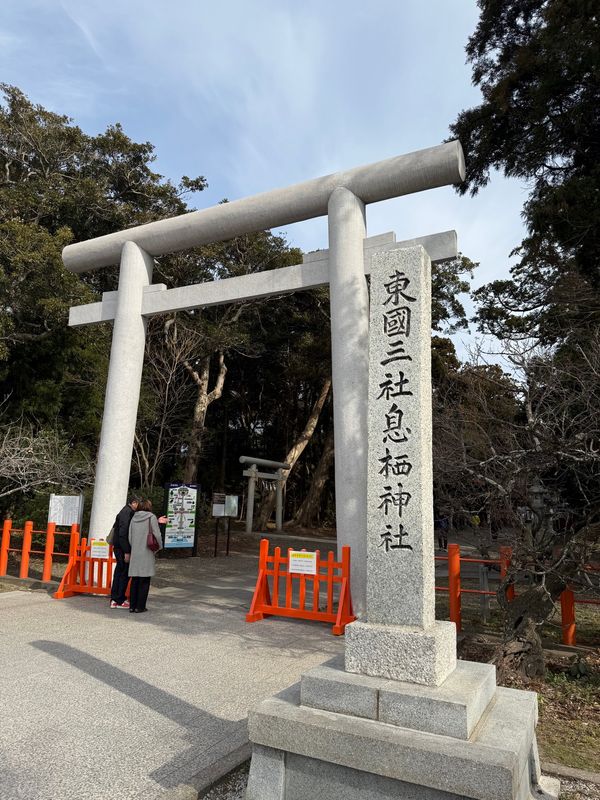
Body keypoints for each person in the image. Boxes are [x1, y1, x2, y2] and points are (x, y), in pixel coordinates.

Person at [127, 499, 163, 613]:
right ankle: (140, 607)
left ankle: (132, 606)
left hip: (135, 551)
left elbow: (129, 535)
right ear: (148, 506)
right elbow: (156, 534)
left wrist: (135, 546)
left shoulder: (134, 517)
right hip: (147, 551)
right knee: (145, 580)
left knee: (135, 580)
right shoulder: (151, 517)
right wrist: (159, 546)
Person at [109, 495, 141, 609]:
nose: (139, 506)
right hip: (122, 548)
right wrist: (127, 551)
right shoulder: (127, 514)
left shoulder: (123, 511)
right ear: (133, 503)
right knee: (123, 573)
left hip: (118, 547)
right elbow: (123, 534)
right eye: (138, 504)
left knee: (119, 572)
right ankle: (120, 599)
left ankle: (114, 599)